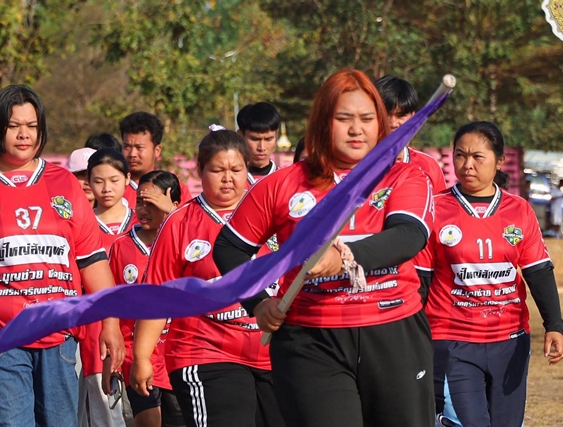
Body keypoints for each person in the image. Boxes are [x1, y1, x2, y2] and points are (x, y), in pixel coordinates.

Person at [213, 69, 436, 427]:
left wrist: (343, 258)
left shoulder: (406, 176)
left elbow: (408, 235)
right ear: (321, 122)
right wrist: (258, 302)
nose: (356, 129)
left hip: (394, 333)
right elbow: (229, 248)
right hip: (310, 341)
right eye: (343, 119)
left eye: (367, 119)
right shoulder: (282, 184)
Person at [0, 85, 124, 427]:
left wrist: (111, 323)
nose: (23, 134)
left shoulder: (64, 184)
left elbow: (92, 261)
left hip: (59, 339)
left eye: (31, 126)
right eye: (14, 125)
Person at [131, 129, 285, 427]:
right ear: (200, 170)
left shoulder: (270, 214)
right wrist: (142, 357)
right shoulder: (180, 223)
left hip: (272, 354)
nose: (228, 178)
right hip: (205, 352)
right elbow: (158, 295)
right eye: (217, 170)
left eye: (236, 170)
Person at [415, 121, 563, 427]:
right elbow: (421, 281)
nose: (467, 164)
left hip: (510, 341)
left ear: (499, 161)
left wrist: (554, 325)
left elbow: (538, 271)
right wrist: (410, 337)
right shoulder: (435, 209)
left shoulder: (519, 210)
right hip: (451, 340)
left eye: (477, 157)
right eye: (460, 155)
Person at [109, 170, 184, 427]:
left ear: (174, 204)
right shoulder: (121, 246)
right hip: (137, 354)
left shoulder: (185, 244)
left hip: (177, 354)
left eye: (152, 203)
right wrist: (110, 358)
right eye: (140, 201)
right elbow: (112, 303)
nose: (143, 209)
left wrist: (173, 217)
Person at [78, 148, 140, 427]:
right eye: (98, 181)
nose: (106, 189)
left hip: (142, 333)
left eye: (114, 180)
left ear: (127, 179)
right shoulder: (81, 226)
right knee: (106, 413)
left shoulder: (143, 223)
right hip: (96, 335)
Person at [375, 74, 446, 193]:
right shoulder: (354, 165)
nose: (393, 123)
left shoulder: (429, 166)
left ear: (413, 117)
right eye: (386, 114)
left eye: (401, 115)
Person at [119, 112, 192, 210]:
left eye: (139, 147)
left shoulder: (175, 188)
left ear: (157, 150)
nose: (132, 154)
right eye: (126, 146)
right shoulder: (112, 188)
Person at [236, 102, 280, 186]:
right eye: (255, 139)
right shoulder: (230, 181)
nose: (262, 148)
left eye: (268, 139)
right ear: (240, 136)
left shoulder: (286, 179)